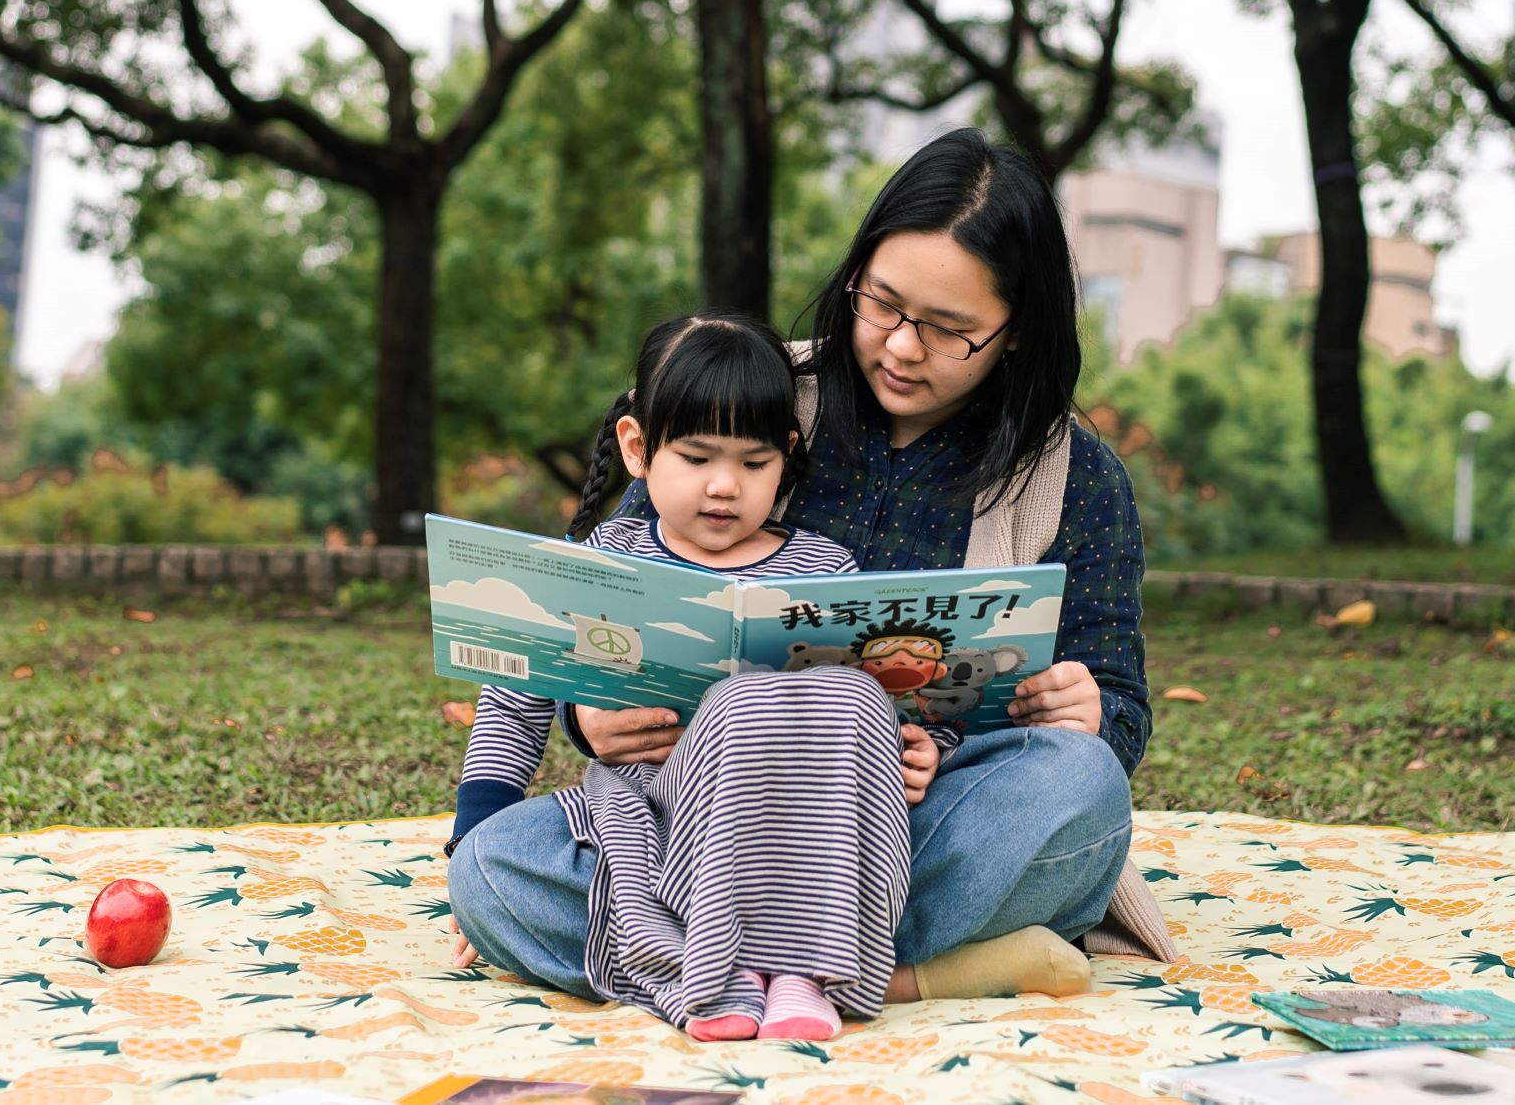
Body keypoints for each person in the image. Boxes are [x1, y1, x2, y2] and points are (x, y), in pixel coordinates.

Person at [451, 129, 1151, 1012]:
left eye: (949, 331)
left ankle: (711, 957)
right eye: (883, 305)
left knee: (1075, 792)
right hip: (692, 818)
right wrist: (590, 715)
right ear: (853, 273)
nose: (900, 348)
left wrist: (1088, 715)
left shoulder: (1074, 480)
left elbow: (1116, 713)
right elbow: (612, 596)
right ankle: (888, 972)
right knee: (490, 867)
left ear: (1015, 334)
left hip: (900, 825)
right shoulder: (748, 393)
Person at [446, 312, 942, 1041]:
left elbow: (861, 723)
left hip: (793, 832)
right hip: (652, 819)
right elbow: (515, 700)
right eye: (697, 457)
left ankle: (797, 968)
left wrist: (918, 741)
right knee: (489, 868)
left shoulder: (823, 570)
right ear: (638, 449)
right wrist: (473, 835)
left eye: (752, 462)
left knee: (838, 691)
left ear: (787, 457)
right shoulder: (602, 559)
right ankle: (719, 971)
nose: (723, 487)